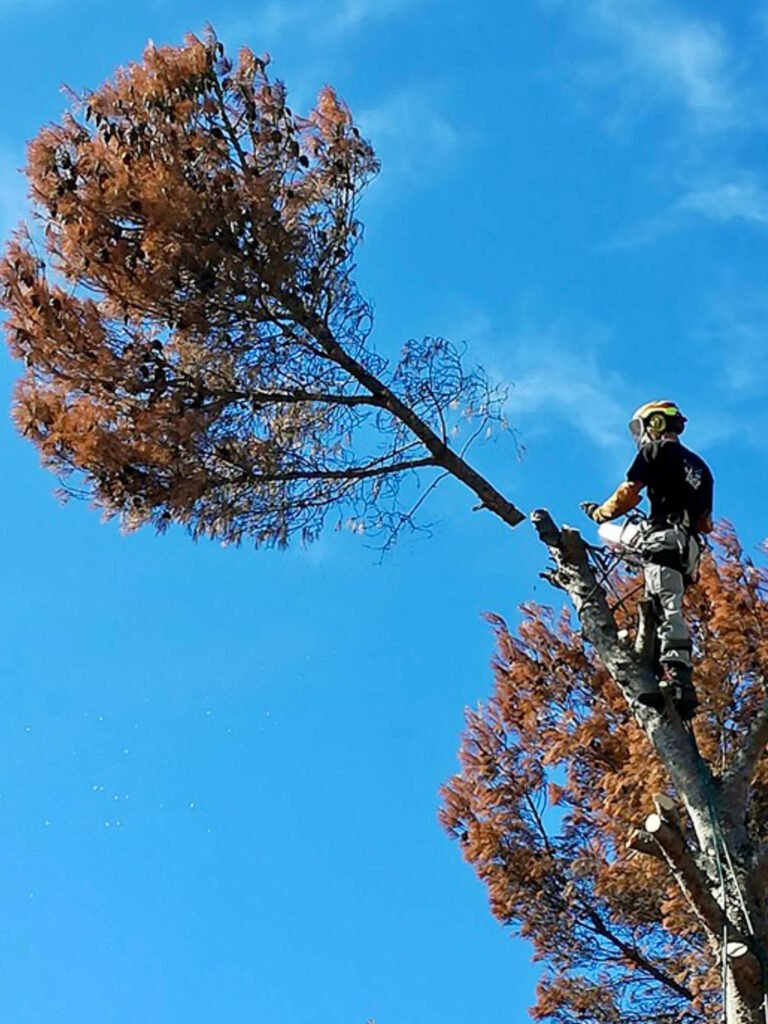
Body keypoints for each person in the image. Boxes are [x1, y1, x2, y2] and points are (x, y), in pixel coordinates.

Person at [581, 400, 714, 719]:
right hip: (689, 549)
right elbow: (705, 523)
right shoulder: (701, 468)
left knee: (668, 607)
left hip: (664, 537)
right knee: (656, 603)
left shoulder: (656, 452)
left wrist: (601, 514)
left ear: (653, 425)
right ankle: (654, 672)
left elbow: (629, 492)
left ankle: (680, 679)